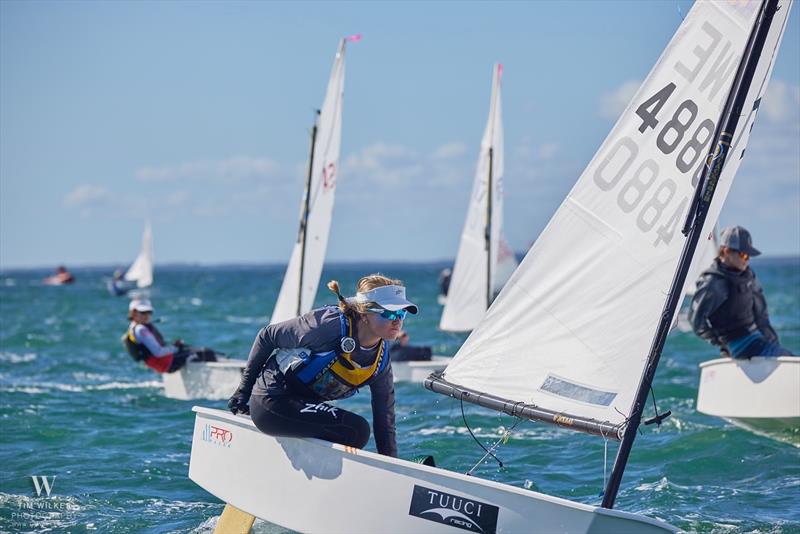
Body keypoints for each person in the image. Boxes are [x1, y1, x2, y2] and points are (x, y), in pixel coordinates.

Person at [227, 274, 419, 458]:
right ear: (364, 313)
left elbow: (384, 419)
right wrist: (243, 392)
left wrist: (393, 467)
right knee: (356, 430)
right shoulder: (328, 325)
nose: (398, 320)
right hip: (271, 399)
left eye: (402, 313)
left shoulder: (382, 359)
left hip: (302, 407)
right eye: (389, 312)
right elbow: (267, 336)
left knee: (355, 431)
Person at [689, 226, 794, 359]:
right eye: (743, 255)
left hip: (756, 339)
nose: (747, 260)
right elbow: (697, 321)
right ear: (726, 251)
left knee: (787, 357)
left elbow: (761, 315)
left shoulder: (748, 276)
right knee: (787, 358)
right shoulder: (713, 282)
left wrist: (773, 343)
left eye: (749, 256)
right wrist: (721, 345)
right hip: (737, 347)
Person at [122, 298, 218, 373]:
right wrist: (176, 348)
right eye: (143, 312)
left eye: (149, 312)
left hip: (163, 363)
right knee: (207, 353)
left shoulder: (133, 327)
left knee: (191, 350)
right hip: (166, 363)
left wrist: (175, 347)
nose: (147, 315)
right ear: (134, 313)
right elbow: (158, 352)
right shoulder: (141, 329)